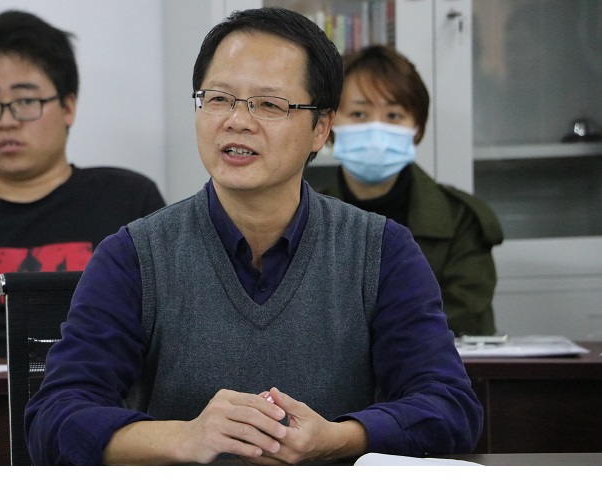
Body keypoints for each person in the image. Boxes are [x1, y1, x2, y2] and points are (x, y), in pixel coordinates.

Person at [25, 7, 482, 465]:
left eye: (269, 104)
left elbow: (450, 408)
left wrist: (336, 438)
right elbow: (54, 419)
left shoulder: (382, 251)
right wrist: (186, 438)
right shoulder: (132, 256)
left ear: (321, 128)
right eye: (219, 98)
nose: (237, 121)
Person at [0, 10, 165, 361]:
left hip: (97, 390)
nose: (6, 121)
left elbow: (173, 330)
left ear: (68, 107)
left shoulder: (129, 200)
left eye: (26, 101)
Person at [322, 45, 503, 337]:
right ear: (327, 126)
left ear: (416, 127)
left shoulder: (461, 220)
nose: (376, 130)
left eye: (394, 115)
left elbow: (462, 315)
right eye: (358, 113)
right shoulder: (300, 217)